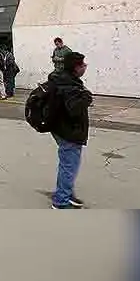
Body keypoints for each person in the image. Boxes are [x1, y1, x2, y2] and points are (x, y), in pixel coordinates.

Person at [48, 51, 94, 209]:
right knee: (69, 165)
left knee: (68, 164)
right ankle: (61, 201)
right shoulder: (69, 85)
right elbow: (73, 109)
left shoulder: (62, 79)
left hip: (60, 128)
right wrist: (87, 97)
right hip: (68, 131)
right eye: (83, 65)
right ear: (76, 68)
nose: (85, 66)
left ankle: (66, 193)